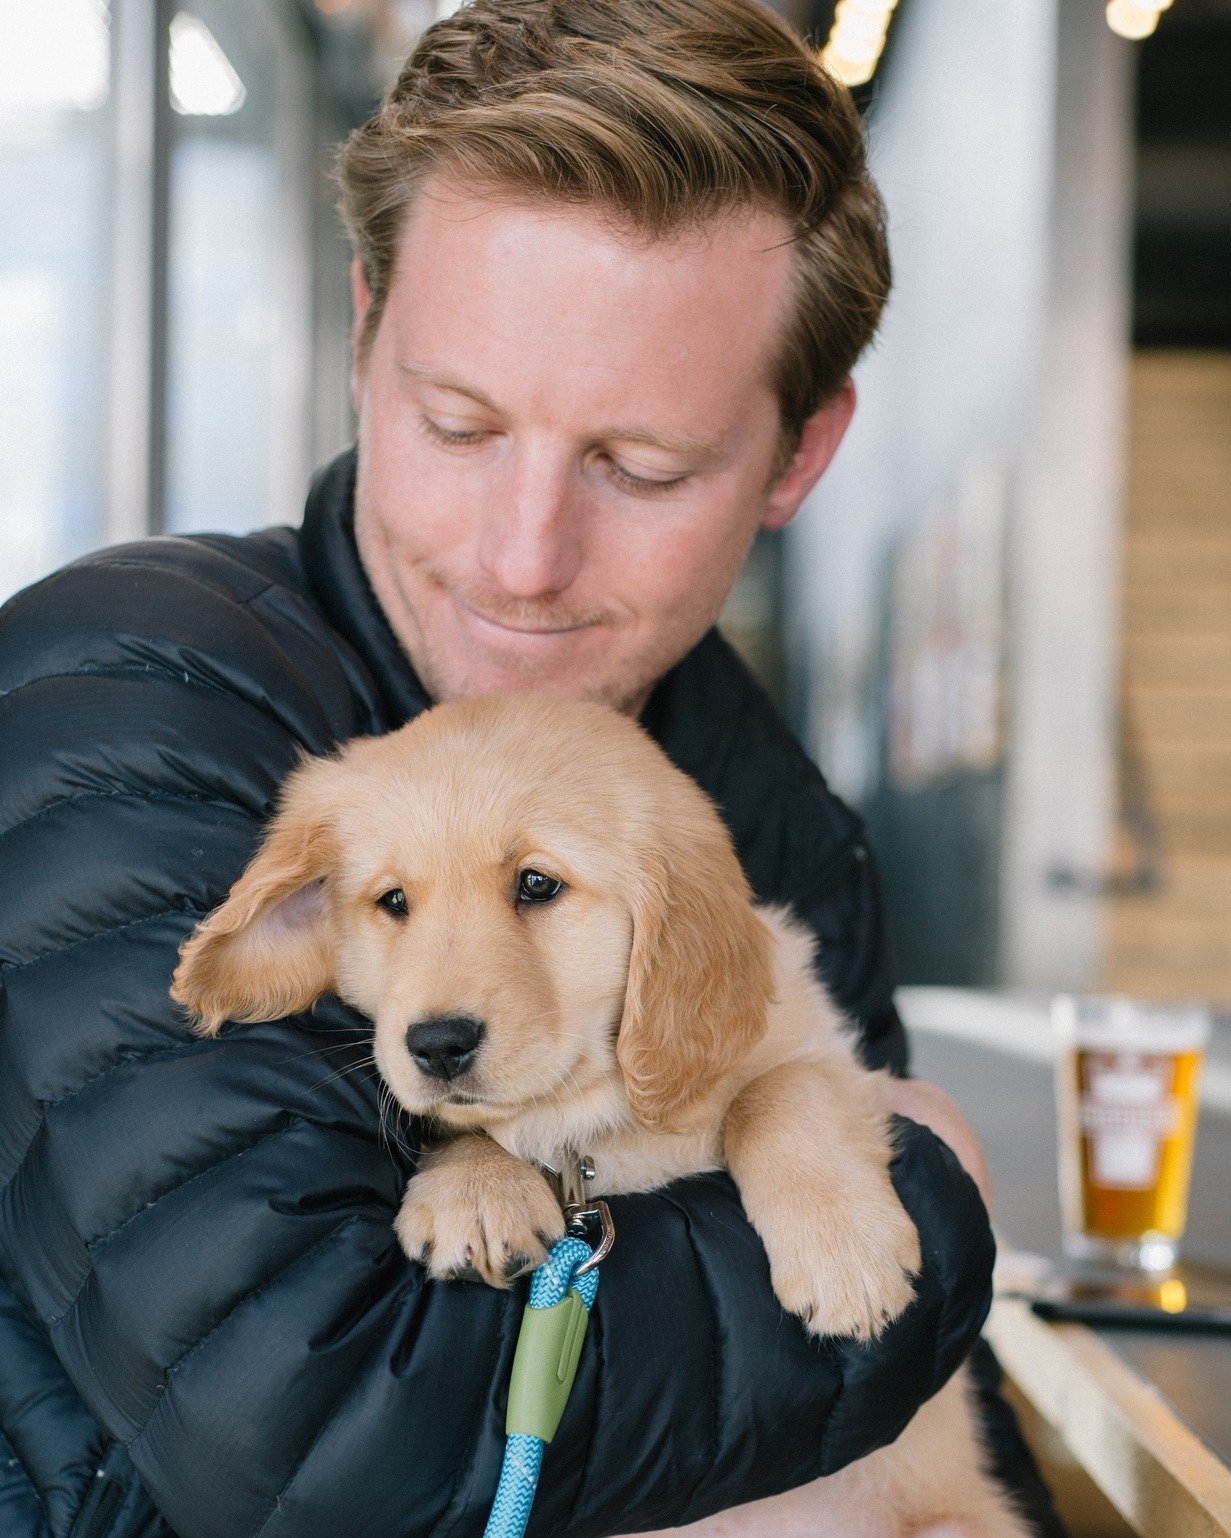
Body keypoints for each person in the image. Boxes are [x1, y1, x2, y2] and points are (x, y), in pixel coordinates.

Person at [0, 1, 1062, 1534]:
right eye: (458, 423)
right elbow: (330, 1438)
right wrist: (939, 1189)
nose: (523, 558)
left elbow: (883, 1418)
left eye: (638, 467)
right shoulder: (117, 710)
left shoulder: (762, 812)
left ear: (798, 456)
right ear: (365, 341)